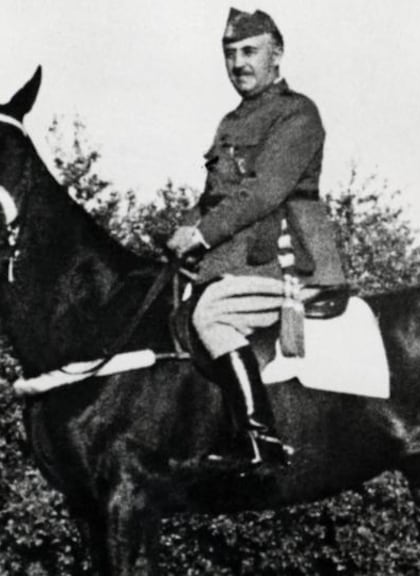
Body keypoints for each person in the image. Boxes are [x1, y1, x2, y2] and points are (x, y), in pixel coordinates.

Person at [166, 8, 346, 470]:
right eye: (230, 54)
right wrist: (182, 233)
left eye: (250, 51)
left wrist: (201, 235)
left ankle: (260, 440)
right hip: (233, 260)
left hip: (287, 257)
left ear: (277, 54)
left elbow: (263, 192)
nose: (239, 63)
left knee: (211, 317)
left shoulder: (298, 112)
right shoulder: (230, 121)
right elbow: (214, 197)